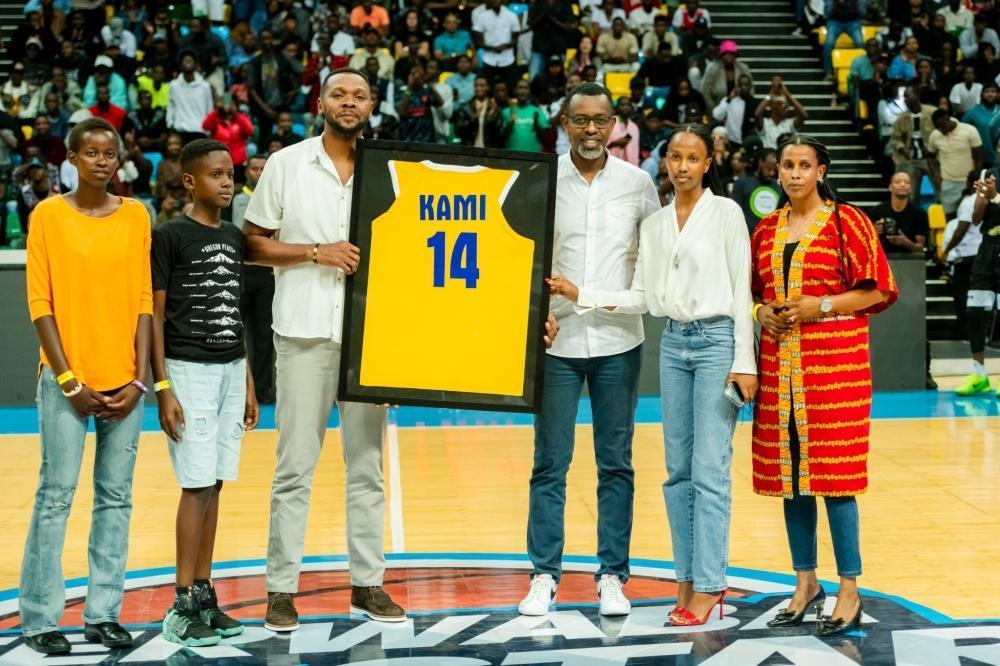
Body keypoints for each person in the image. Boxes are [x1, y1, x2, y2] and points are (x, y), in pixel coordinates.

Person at [550, 122, 756, 627]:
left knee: (709, 470)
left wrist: (744, 362)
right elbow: (640, 297)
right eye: (675, 157)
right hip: (672, 345)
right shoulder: (656, 223)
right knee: (677, 473)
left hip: (717, 343)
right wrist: (583, 294)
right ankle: (687, 578)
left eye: (693, 158)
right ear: (665, 162)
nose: (682, 166)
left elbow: (741, 293)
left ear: (708, 164)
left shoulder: (726, 213)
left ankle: (710, 583)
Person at [243, 67, 404, 629]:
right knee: (294, 467)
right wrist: (316, 252)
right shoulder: (287, 164)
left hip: (368, 339)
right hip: (303, 332)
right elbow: (252, 245)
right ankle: (281, 590)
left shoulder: (390, 170)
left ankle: (368, 584)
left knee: (368, 468)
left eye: (359, 95)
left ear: (371, 106)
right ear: (321, 103)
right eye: (339, 94)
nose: (349, 102)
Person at [516, 82, 659, 618]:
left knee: (615, 463)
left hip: (619, 341)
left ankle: (612, 576)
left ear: (614, 125)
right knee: (549, 463)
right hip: (557, 341)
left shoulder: (639, 184)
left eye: (600, 120)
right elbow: (523, 257)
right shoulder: (542, 180)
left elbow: (649, 261)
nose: (592, 130)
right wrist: (535, 314)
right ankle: (543, 575)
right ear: (565, 124)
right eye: (581, 120)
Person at [751, 134, 896, 637]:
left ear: (821, 171)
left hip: (835, 370)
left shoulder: (846, 221)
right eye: (787, 165)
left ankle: (849, 588)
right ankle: (805, 582)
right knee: (792, 479)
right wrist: (761, 312)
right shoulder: (765, 229)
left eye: (804, 165)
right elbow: (753, 293)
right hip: (780, 369)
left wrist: (823, 305)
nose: (794, 173)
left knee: (836, 479)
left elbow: (879, 290)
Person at [20, 117, 152, 656]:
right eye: (91, 152)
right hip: (66, 384)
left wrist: (141, 378)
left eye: (110, 152)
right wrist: (68, 378)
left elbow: (144, 299)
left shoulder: (136, 215)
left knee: (116, 500)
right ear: (71, 159)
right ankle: (39, 619)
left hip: (125, 383)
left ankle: (103, 614)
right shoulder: (48, 215)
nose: (102, 160)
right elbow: (40, 303)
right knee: (55, 497)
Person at [151, 139, 259, 647]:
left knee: (215, 482)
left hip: (230, 368)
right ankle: (179, 604)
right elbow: (154, 314)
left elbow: (234, 309)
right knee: (195, 485)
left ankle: (203, 593)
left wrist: (249, 380)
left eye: (230, 174)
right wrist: (162, 386)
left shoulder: (235, 237)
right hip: (187, 370)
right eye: (216, 175)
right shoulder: (170, 235)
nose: (226, 182)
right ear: (190, 181)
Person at [232, 154, 276, 404]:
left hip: (266, 273)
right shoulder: (235, 199)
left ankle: (263, 389)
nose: (259, 173)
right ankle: (238, 389)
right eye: (254, 168)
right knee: (235, 331)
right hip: (240, 271)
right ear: (247, 171)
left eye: (262, 169)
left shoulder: (276, 197)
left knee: (264, 334)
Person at [954, 164, 1000, 395]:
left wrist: (996, 197)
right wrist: (982, 197)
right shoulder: (987, 174)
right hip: (987, 250)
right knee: (974, 312)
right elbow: (975, 219)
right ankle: (979, 375)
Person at [940, 171, 984, 337]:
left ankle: (966, 331)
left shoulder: (969, 201)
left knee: (962, 295)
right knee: (982, 296)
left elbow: (961, 230)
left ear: (970, 183)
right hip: (986, 255)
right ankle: (983, 331)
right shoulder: (994, 201)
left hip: (969, 257)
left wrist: (946, 252)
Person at [927, 108, 983, 216]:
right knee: (948, 216)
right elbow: (929, 157)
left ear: (948, 119)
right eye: (938, 127)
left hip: (968, 181)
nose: (941, 130)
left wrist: (976, 178)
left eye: (942, 126)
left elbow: (978, 157)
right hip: (948, 182)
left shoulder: (969, 130)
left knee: (969, 215)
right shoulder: (935, 135)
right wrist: (936, 176)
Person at [890, 87, 937, 203]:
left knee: (939, 187)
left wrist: (933, 149)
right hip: (910, 159)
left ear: (917, 96)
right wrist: (902, 149)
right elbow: (895, 138)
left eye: (909, 95)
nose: (907, 99)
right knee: (910, 193)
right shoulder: (902, 118)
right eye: (905, 97)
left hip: (931, 158)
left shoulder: (932, 112)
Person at [202, 94, 255, 180]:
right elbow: (205, 126)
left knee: (237, 184)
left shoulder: (240, 118)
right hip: (218, 161)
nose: (227, 106)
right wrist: (217, 109)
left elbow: (250, 131)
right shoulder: (216, 118)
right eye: (225, 102)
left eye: (231, 103)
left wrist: (236, 113)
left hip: (238, 162)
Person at [472, 0, 521, 90]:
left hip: (508, 59)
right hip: (488, 59)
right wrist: (492, 48)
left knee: (510, 88)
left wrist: (505, 46)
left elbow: (516, 39)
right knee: (488, 89)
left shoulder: (511, 15)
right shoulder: (482, 17)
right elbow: (478, 41)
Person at [730, 147, 780, 234]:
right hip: (746, 235)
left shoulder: (780, 187)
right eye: (769, 169)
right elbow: (734, 213)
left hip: (771, 237)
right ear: (760, 162)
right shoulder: (742, 183)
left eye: (775, 170)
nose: (772, 173)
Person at [167, 52, 214, 143]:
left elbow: (209, 108)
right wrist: (170, 124)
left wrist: (208, 131)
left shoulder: (205, 86)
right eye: (185, 60)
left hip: (200, 131)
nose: (188, 62)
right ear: (181, 65)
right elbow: (171, 106)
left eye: (190, 60)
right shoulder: (174, 85)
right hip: (180, 130)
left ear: (195, 64)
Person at [502, 79, 550, 152]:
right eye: (520, 88)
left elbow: (545, 136)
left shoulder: (537, 111)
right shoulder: (506, 111)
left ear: (529, 91)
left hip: (534, 156)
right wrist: (511, 122)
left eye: (526, 88)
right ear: (515, 90)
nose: (523, 91)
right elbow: (502, 137)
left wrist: (536, 124)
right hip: (511, 155)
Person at [755, 85, 808, 149]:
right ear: (774, 106)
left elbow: (804, 115)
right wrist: (771, 94)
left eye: (787, 106)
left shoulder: (790, 123)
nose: (787, 109)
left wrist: (788, 95)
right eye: (783, 105)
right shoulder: (765, 123)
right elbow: (757, 114)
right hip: (768, 154)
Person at [823, 0, 866, 79]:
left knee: (860, 43)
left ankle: (862, 72)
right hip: (834, 21)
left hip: (853, 22)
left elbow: (863, 12)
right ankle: (828, 72)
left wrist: (850, 4)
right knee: (829, 43)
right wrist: (837, 4)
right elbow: (827, 13)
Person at [711, 74, 756, 148]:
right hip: (731, 142)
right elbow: (716, 115)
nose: (743, 87)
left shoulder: (754, 103)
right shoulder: (730, 100)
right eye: (740, 85)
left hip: (748, 142)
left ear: (750, 86)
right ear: (737, 86)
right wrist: (729, 98)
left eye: (746, 84)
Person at [962, 83, 1000, 168]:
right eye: (987, 91)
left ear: (997, 94)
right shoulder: (972, 113)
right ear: (981, 95)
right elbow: (962, 132)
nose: (990, 94)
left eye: (993, 91)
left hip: (998, 158)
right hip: (980, 159)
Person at [607, 95, 640, 164]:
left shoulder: (634, 128)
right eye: (622, 105)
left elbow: (635, 151)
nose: (626, 107)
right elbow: (602, 145)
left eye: (628, 105)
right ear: (617, 107)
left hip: (629, 165)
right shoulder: (610, 123)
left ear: (631, 108)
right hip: (611, 162)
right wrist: (615, 143)